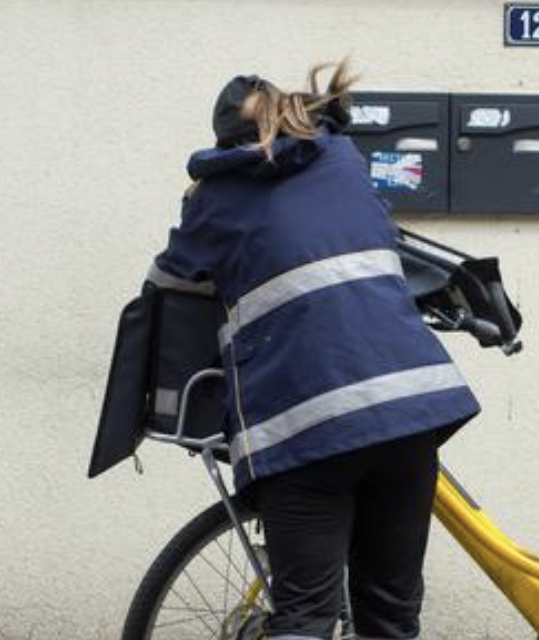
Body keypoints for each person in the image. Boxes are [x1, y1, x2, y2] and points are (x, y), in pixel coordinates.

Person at [145, 61, 480, 640]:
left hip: (308, 430)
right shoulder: (342, 159)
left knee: (305, 615)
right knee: (392, 615)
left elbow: (166, 283)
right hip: (410, 409)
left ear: (224, 138)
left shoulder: (216, 198)